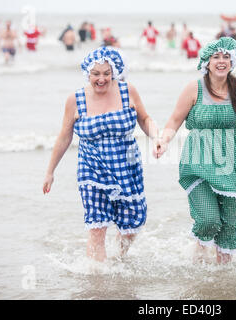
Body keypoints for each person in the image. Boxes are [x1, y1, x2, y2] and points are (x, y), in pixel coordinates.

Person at [42, 47, 159, 262]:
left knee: (132, 224)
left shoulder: (127, 91)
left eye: (106, 73)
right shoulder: (75, 100)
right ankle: (98, 279)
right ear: (88, 73)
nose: (102, 78)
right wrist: (50, 172)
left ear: (114, 72)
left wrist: (157, 138)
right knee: (97, 227)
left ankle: (116, 258)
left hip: (127, 167)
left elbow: (144, 118)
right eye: (96, 74)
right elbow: (64, 137)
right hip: (92, 169)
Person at [153, 37, 236, 264]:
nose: (221, 61)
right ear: (206, 62)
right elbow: (174, 121)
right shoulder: (194, 88)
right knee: (209, 219)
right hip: (198, 161)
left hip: (232, 162)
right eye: (216, 57)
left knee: (229, 225)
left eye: (226, 57)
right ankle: (196, 265)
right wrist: (164, 140)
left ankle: (223, 279)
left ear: (233, 61)